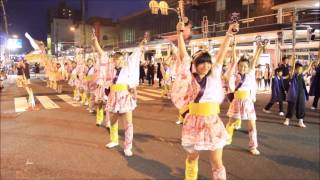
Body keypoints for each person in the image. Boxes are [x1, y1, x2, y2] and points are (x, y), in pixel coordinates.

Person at [171, 21, 239, 180]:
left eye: (208, 62)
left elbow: (221, 54)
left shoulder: (214, 73)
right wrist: (179, 34)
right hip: (194, 122)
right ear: (195, 64)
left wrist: (229, 34)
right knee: (193, 157)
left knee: (216, 161)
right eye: (202, 62)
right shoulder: (188, 77)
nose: (206, 65)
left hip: (213, 122)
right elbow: (182, 55)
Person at [92, 33, 145, 157]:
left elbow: (136, 53)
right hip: (113, 97)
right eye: (115, 60)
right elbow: (102, 54)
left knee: (128, 123)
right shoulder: (110, 68)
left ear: (123, 60)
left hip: (125, 97)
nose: (117, 62)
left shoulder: (128, 68)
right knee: (112, 121)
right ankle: (114, 140)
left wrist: (142, 43)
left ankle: (128, 147)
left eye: (119, 59)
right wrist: (96, 42)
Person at [225, 37, 265, 156]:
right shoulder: (234, 76)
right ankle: (227, 139)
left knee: (252, 126)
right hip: (237, 102)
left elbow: (254, 61)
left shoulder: (250, 73)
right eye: (241, 66)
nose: (242, 68)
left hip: (248, 103)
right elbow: (234, 59)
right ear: (238, 66)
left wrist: (258, 49)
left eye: (245, 66)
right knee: (231, 123)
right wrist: (233, 47)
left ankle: (253, 146)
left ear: (248, 67)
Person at [283, 58, 313, 128]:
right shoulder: (293, 75)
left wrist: (311, 63)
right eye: (299, 69)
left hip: (301, 93)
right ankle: (287, 120)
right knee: (291, 107)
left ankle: (300, 121)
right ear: (296, 69)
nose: (301, 70)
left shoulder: (301, 75)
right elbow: (293, 69)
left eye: (301, 69)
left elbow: (307, 70)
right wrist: (293, 61)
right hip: (293, 94)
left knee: (301, 107)